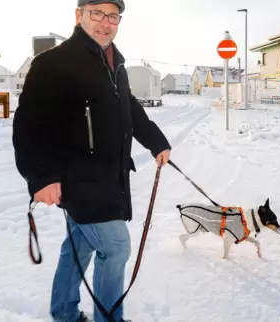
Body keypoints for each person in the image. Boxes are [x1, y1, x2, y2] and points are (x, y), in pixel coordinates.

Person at [11, 0, 171, 321]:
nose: (105, 22)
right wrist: (40, 177)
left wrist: (155, 142)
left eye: (113, 16)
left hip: (111, 178)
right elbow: (28, 125)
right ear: (78, 15)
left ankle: (64, 313)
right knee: (114, 248)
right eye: (96, 13)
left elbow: (130, 108)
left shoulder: (115, 63)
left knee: (79, 248)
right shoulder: (53, 63)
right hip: (78, 180)